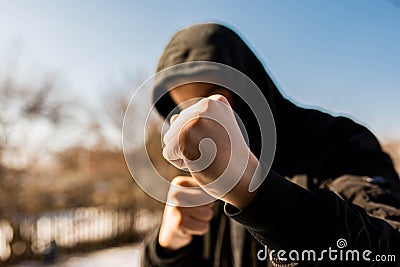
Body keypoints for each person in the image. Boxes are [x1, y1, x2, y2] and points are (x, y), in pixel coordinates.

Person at [142, 23, 400, 267]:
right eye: (186, 108)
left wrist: (256, 191)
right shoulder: (203, 179)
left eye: (212, 95)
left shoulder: (336, 140)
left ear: (248, 81)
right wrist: (168, 246)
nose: (199, 118)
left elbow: (388, 250)